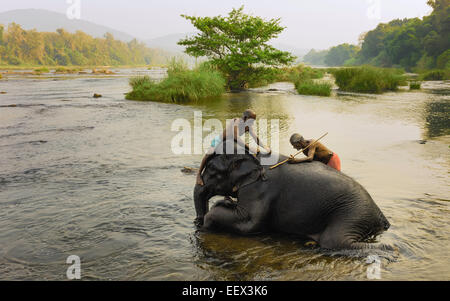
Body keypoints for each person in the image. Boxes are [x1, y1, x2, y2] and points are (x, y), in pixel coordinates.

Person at [196, 109, 271, 186]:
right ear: (245, 118)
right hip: (220, 141)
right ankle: (198, 175)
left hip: (232, 143)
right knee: (209, 154)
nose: (252, 123)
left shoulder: (248, 126)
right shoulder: (236, 121)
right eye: (251, 121)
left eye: (253, 121)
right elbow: (236, 137)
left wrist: (264, 147)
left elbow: (255, 138)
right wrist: (250, 147)